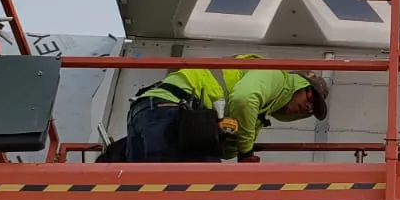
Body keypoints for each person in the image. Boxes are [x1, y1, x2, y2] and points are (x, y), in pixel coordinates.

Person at [122, 57, 329, 163]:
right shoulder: (276, 76)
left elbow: (225, 148)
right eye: (310, 97)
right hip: (170, 112)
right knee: (196, 194)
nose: (307, 107)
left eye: (312, 109)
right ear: (298, 84)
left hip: (153, 112)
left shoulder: (259, 114)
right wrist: (246, 152)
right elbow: (244, 99)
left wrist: (236, 144)